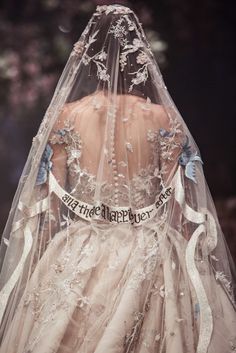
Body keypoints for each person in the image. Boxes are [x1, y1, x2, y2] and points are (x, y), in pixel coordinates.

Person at [0, 3, 236, 353]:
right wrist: (193, 265)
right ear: (139, 54)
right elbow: (178, 202)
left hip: (81, 249)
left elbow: (51, 202)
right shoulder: (162, 118)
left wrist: (45, 264)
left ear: (90, 53)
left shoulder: (66, 116)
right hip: (151, 250)